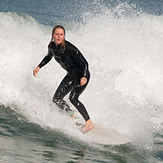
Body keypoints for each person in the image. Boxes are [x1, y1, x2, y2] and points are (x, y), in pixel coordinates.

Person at [33, 25, 94, 132]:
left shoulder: (70, 48)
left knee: (73, 98)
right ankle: (72, 115)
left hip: (82, 76)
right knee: (57, 98)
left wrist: (84, 76)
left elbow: (85, 62)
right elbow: (48, 57)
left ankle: (89, 123)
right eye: (57, 34)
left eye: (61, 34)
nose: (59, 36)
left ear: (64, 36)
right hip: (71, 75)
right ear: (53, 35)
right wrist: (39, 66)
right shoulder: (51, 46)